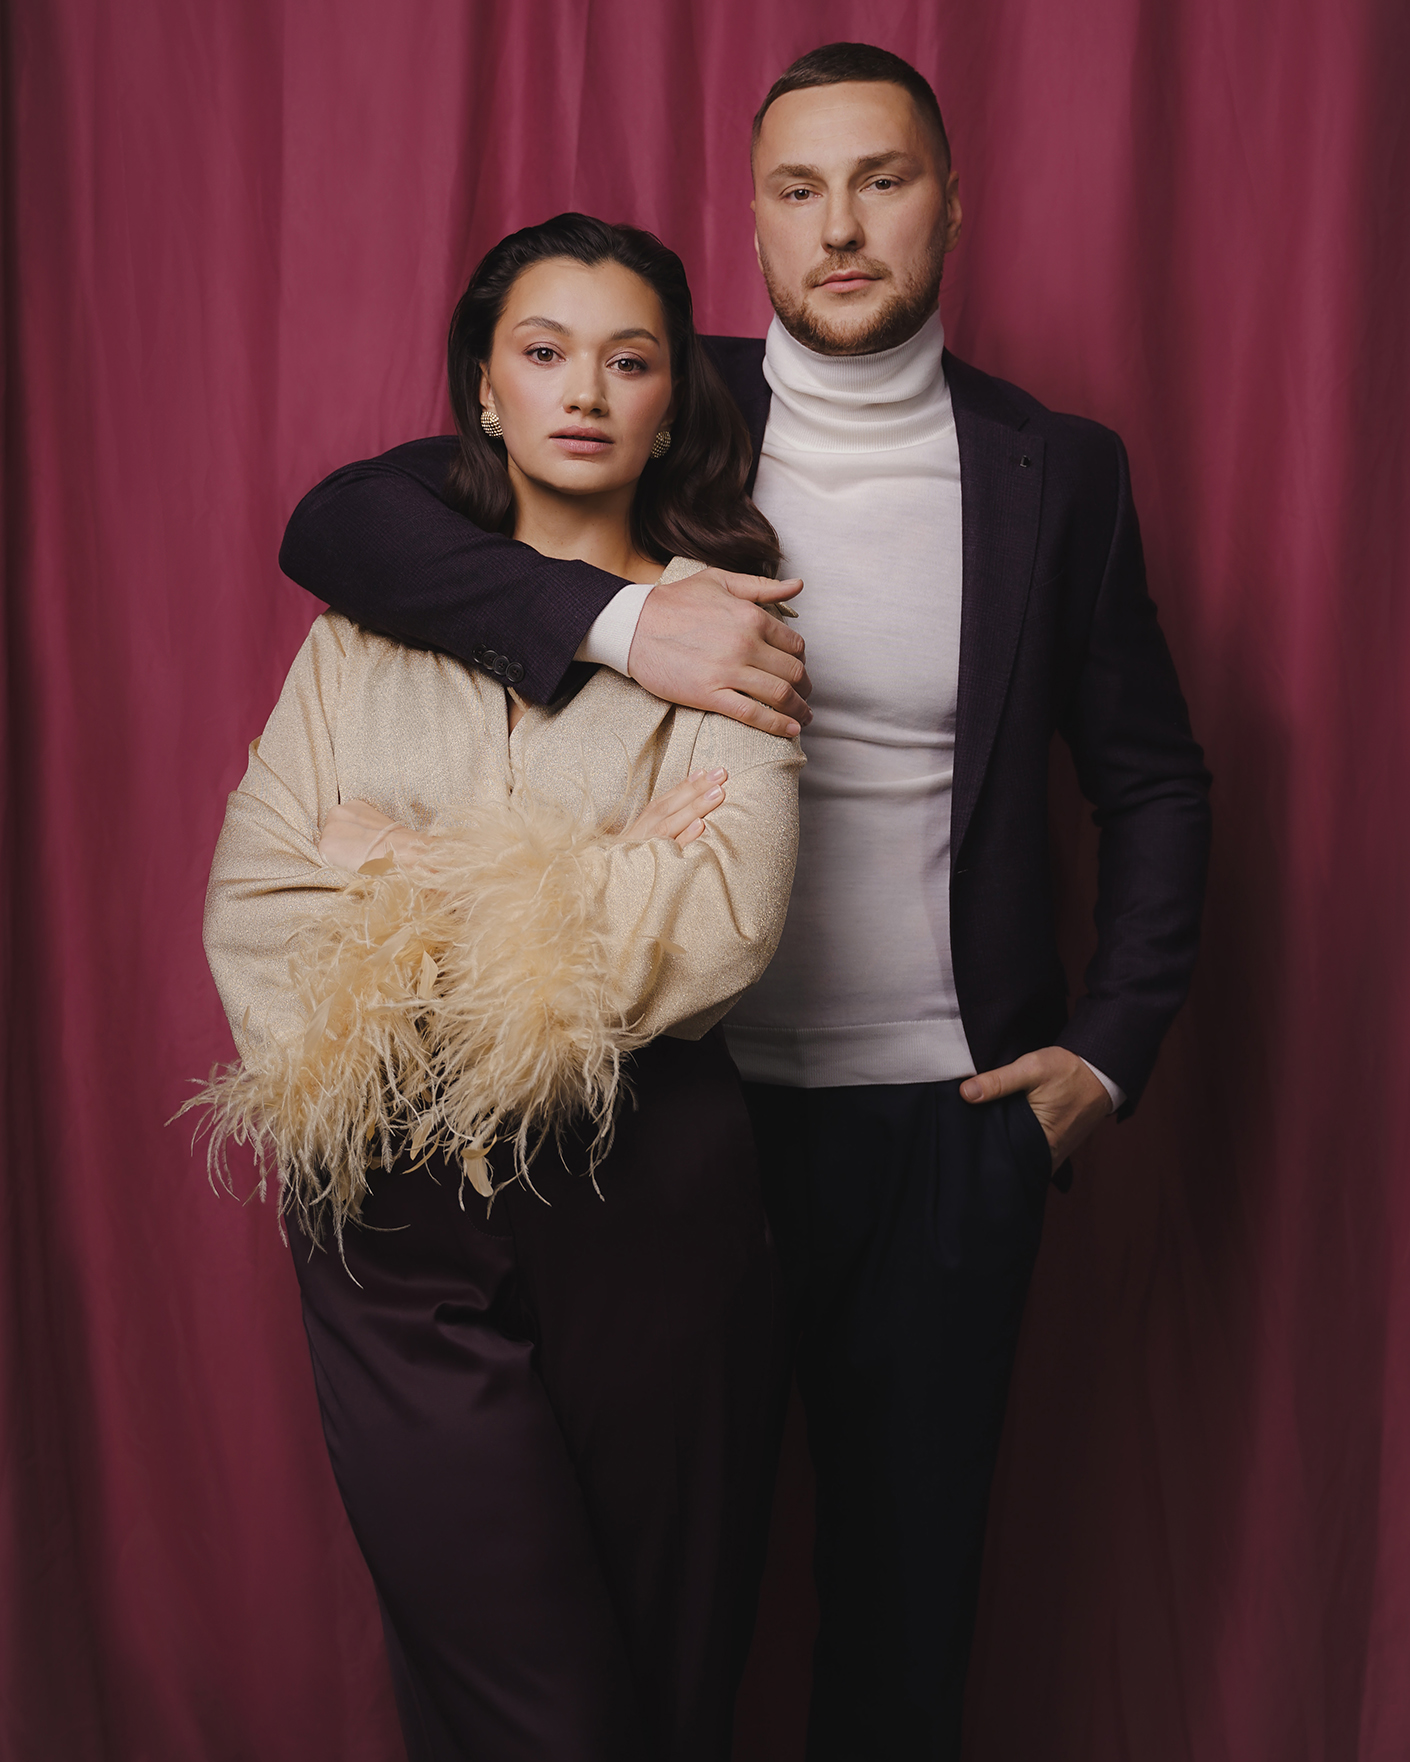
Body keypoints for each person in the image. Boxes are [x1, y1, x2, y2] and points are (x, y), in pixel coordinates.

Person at [275, 43, 1213, 1762]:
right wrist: (624, 622)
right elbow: (344, 523)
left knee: (902, 1633)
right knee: (640, 1620)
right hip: (658, 1112)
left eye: (881, 181)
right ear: (755, 220)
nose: (839, 226)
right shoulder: (649, 397)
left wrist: (1106, 1051)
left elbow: (1151, 776)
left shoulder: (1055, 470)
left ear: (949, 205)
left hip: (943, 1122)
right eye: (797, 189)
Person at [195, 213, 803, 1762]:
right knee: (530, 1701)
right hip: (385, 1204)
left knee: (663, 1684)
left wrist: (402, 864)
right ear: (483, 387)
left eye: (628, 359)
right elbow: (258, 908)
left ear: (671, 398)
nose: (582, 391)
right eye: (543, 352)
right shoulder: (355, 637)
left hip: (646, 1188)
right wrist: (588, 871)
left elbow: (721, 917)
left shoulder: (733, 631)